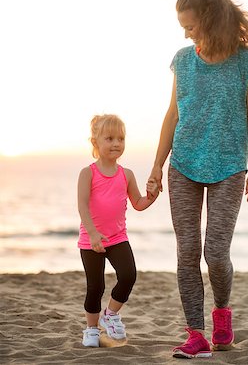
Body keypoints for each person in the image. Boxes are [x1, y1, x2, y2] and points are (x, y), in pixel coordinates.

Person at [148, 0, 248, 359]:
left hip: (230, 167)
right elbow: (172, 114)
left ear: (211, 20)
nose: (186, 32)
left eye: (191, 25)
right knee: (187, 252)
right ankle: (196, 334)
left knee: (215, 253)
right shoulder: (183, 60)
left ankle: (222, 312)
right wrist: (156, 165)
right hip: (183, 165)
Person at [78, 114, 159, 347]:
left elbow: (139, 203)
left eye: (120, 139)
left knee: (128, 275)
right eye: (110, 138)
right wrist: (93, 234)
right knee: (96, 286)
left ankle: (111, 314)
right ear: (96, 142)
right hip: (91, 239)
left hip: (117, 237)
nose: (116, 143)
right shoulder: (88, 173)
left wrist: (151, 196)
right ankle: (91, 329)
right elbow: (82, 205)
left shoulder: (127, 174)